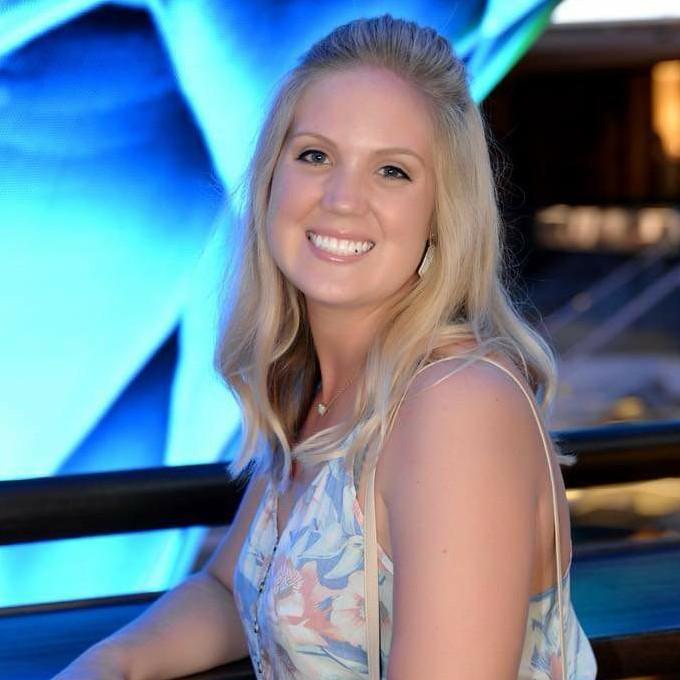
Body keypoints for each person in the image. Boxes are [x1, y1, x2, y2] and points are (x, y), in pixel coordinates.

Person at [54, 13, 598, 680]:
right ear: (270, 183)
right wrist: (109, 664)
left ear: (441, 216)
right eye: (314, 156)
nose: (342, 199)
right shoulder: (323, 393)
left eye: (392, 171)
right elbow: (234, 590)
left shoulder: (457, 408)